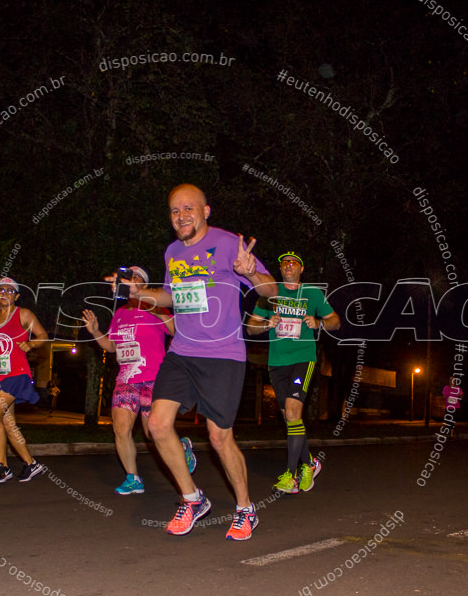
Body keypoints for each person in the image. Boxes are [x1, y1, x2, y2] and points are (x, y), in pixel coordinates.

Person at [130, 183, 277, 540]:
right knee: (157, 425)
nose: (180, 216)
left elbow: (270, 290)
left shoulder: (228, 244)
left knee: (219, 437)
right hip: (182, 350)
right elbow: (171, 293)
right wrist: (142, 293)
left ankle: (245, 508)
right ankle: (192, 498)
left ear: (205, 211)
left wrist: (249, 271)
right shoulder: (172, 252)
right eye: (174, 211)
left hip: (222, 354)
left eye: (188, 209)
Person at [82, 266, 193, 495]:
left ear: (143, 285)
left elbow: (176, 332)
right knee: (121, 429)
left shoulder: (156, 306)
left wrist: (159, 311)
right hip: (126, 378)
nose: (129, 281)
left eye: (135, 278)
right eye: (127, 278)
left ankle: (181, 446)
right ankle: (133, 478)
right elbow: (112, 346)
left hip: (153, 376)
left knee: (152, 432)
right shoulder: (120, 313)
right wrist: (95, 332)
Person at [247, 251, 340, 494]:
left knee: (292, 411)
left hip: (303, 359)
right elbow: (250, 327)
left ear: (301, 268)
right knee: (291, 419)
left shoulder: (312, 293)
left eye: (293, 262)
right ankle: (309, 464)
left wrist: (319, 323)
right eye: (284, 263)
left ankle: (291, 475)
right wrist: (268, 324)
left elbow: (335, 321)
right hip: (277, 362)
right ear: (281, 269)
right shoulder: (270, 294)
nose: (288, 266)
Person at [0, 277, 49, 483]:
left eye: (9, 290)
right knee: (8, 423)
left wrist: (31, 345)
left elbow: (42, 336)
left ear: (16, 295)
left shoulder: (23, 314)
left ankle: (2, 465)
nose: (4, 293)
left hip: (16, 373)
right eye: (0, 290)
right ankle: (31, 463)